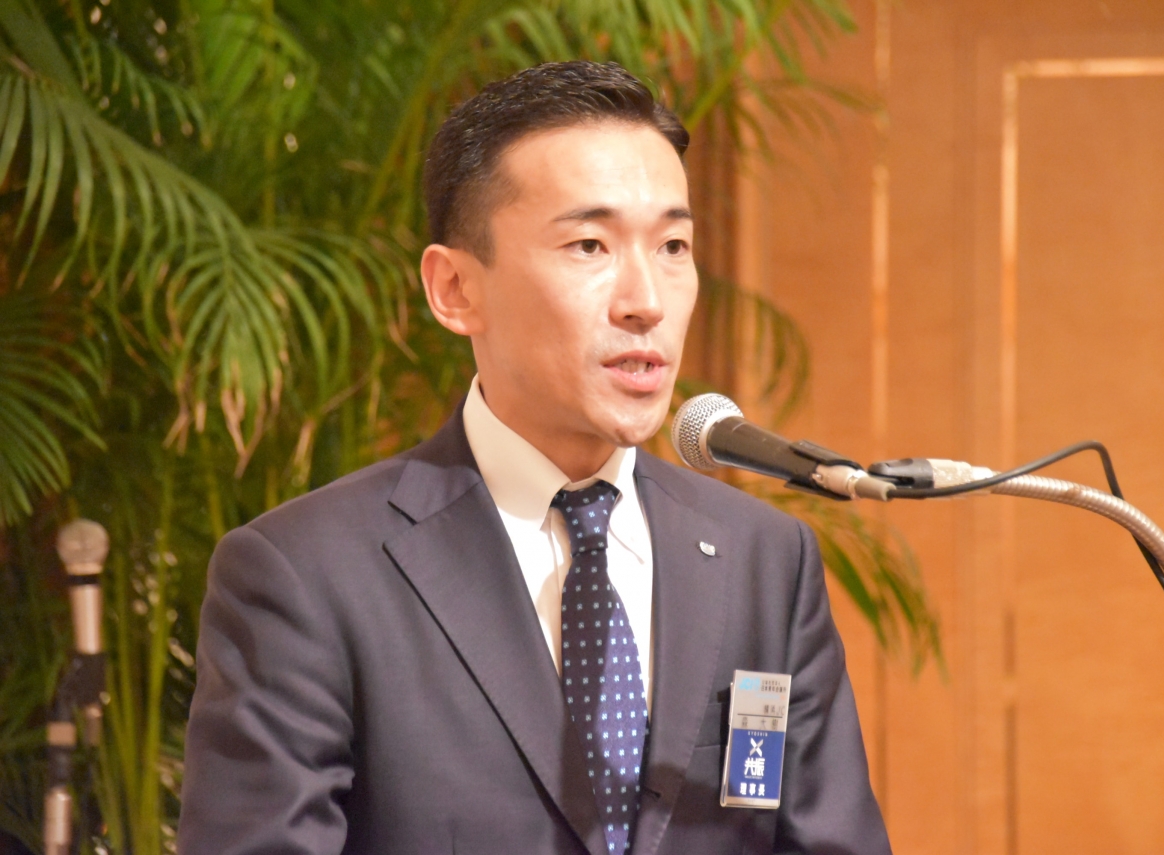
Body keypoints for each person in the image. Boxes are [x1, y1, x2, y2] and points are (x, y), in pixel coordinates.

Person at [177, 61, 891, 855]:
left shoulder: (765, 560)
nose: (646, 300)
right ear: (455, 289)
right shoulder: (308, 574)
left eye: (673, 245)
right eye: (589, 244)